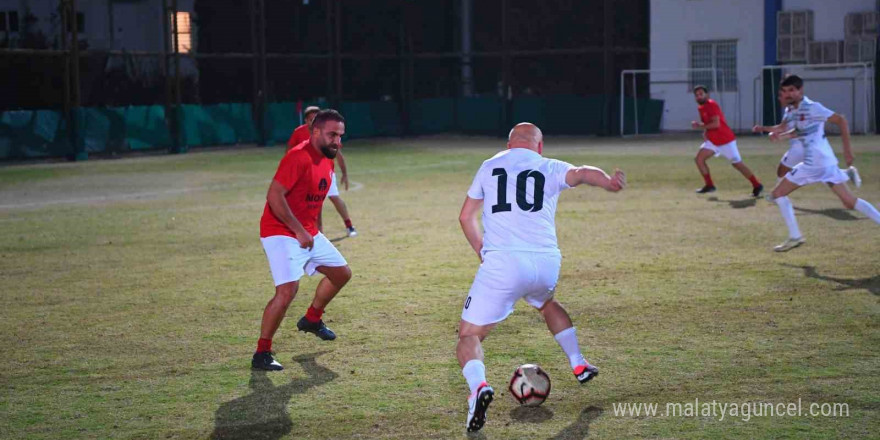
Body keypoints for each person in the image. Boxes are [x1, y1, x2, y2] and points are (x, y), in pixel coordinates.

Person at [456, 123, 626, 432]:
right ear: (540, 146)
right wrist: (608, 183)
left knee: (468, 336)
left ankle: (478, 388)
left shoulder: (490, 165)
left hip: (505, 263)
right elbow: (584, 172)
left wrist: (481, 249)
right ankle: (579, 363)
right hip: (546, 261)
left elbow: (465, 216)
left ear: (509, 145)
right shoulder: (549, 166)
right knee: (546, 303)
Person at [252, 110, 353, 371]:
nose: (337, 142)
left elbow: (313, 199)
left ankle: (312, 319)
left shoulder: (327, 160)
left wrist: (313, 229)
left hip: (307, 231)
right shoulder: (298, 156)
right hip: (280, 231)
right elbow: (275, 196)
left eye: (340, 136)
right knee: (287, 292)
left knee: (341, 273)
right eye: (332, 135)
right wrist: (299, 230)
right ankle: (261, 353)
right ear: (315, 131)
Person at [766, 75, 880, 252]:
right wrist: (780, 136)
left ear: (800, 91)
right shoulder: (794, 110)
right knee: (849, 202)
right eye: (785, 91)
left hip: (814, 163)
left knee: (778, 193)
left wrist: (848, 150)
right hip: (825, 161)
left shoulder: (812, 107)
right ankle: (847, 174)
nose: (788, 94)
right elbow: (800, 131)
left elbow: (841, 120)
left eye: (792, 90)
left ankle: (795, 236)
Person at [752, 84, 861, 186]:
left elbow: (798, 131)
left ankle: (778, 196)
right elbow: (783, 127)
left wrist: (780, 135)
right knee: (825, 175)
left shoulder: (809, 107)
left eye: (788, 91)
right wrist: (764, 129)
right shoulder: (790, 109)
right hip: (813, 147)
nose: (782, 96)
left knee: (783, 171)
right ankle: (847, 173)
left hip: (802, 146)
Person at [289, 106, 358, 237]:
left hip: (326, 173)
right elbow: (290, 152)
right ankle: (317, 234)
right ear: (305, 120)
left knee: (334, 197)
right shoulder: (298, 132)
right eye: (310, 119)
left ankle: (349, 226)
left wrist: (344, 173)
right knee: (312, 204)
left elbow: (338, 154)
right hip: (307, 175)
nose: (313, 121)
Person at [690, 86, 763, 197]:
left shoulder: (711, 104)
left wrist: (699, 126)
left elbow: (716, 124)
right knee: (699, 159)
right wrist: (705, 131)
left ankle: (757, 185)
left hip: (725, 140)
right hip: (713, 141)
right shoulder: (701, 107)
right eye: (697, 95)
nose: (699, 96)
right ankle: (709, 185)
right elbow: (708, 123)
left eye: (701, 94)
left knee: (737, 164)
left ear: (707, 94)